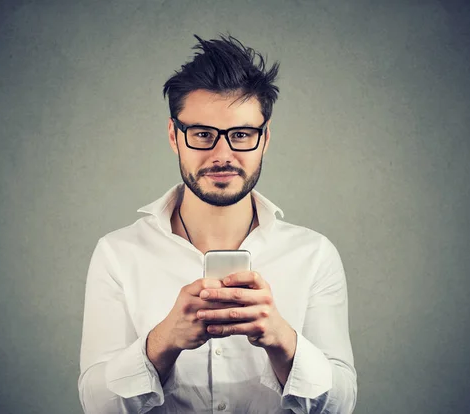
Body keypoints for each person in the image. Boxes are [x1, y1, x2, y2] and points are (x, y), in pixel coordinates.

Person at [78, 33, 357, 414]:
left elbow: (341, 405)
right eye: (203, 135)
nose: (222, 155)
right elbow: (97, 406)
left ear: (265, 138)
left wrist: (282, 340)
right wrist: (162, 341)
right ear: (174, 137)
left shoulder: (314, 254)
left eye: (241, 135)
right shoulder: (117, 253)